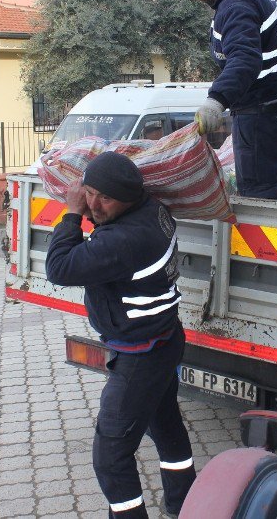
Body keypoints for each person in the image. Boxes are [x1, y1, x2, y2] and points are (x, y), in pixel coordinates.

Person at [45, 151, 196, 519]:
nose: (93, 204)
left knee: (111, 457)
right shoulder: (153, 209)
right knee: (165, 423)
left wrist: (71, 213)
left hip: (141, 354)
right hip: (163, 339)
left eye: (104, 198)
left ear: (128, 199)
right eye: (89, 193)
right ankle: (186, 504)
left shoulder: (125, 240)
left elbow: (59, 267)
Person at [173, 0, 277, 200]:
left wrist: (215, 101)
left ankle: (264, 244)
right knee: (272, 194)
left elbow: (245, 59)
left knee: (260, 204)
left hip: (261, 116)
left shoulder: (235, 5)